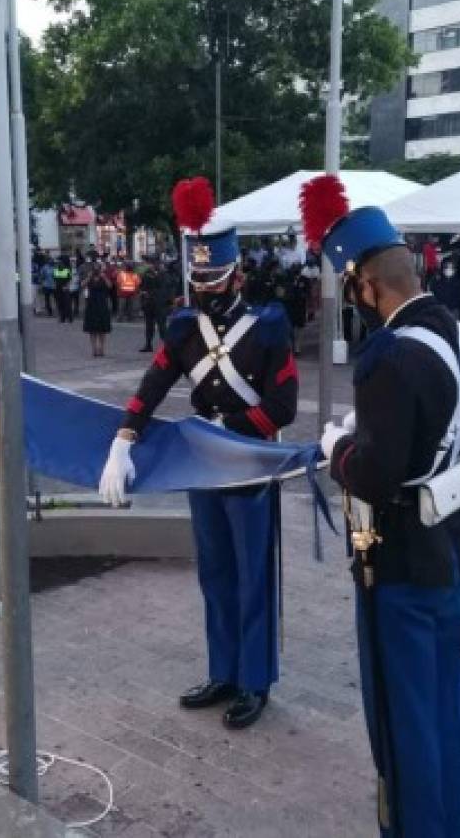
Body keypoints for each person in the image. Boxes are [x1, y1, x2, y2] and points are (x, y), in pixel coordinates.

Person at [303, 175, 460, 838]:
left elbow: (373, 479)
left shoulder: (386, 356)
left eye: (350, 289)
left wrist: (336, 452)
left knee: (402, 714)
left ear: (365, 285)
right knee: (442, 703)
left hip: (400, 557)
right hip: (451, 543)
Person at [99, 179, 298, 731]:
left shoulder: (269, 326)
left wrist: (222, 428)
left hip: (250, 465)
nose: (207, 289)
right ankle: (223, 671)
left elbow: (283, 405)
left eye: (215, 278)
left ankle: (255, 680)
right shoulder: (185, 327)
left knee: (253, 576)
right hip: (202, 471)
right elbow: (153, 383)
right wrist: (125, 436)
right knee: (215, 573)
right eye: (199, 279)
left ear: (236, 273)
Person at [138, 259, 173, 352]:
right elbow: (142, 286)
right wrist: (143, 293)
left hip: (160, 304)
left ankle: (167, 346)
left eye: (154, 264)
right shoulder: (147, 274)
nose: (152, 266)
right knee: (149, 326)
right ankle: (148, 344)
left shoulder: (165, 275)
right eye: (152, 264)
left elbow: (165, 290)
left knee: (162, 326)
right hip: (149, 303)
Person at [83, 262, 112, 356]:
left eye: (98, 269)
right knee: (92, 329)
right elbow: (82, 285)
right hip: (91, 303)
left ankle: (101, 348)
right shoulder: (90, 277)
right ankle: (94, 349)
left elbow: (110, 286)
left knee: (102, 329)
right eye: (95, 269)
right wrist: (88, 277)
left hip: (102, 303)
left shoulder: (103, 277)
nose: (96, 271)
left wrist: (104, 277)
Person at [52, 255, 73, 323]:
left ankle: (69, 317)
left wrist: (66, 286)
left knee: (67, 303)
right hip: (58, 288)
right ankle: (62, 317)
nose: (58, 262)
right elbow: (54, 278)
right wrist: (55, 286)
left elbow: (69, 279)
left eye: (59, 261)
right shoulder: (56, 269)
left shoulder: (67, 269)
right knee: (60, 303)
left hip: (65, 288)